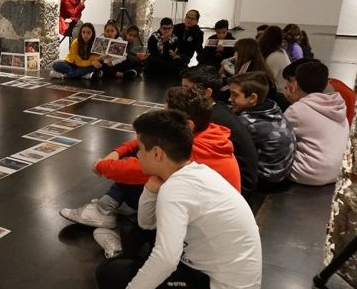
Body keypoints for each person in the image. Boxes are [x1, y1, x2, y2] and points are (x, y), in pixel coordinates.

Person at [94, 109, 262, 289]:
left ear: (157, 154)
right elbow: (147, 224)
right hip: (217, 279)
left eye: (141, 150)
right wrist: (150, 191)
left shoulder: (176, 189)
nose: (137, 155)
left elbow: (165, 258)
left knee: (107, 275)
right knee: (131, 243)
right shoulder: (196, 172)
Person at [60, 87, 242, 256]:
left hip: (199, 238)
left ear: (188, 125)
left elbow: (135, 169)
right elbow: (147, 141)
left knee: (141, 179)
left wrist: (101, 165)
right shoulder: (208, 132)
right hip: (211, 220)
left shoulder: (187, 151)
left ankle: (118, 236)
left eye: (166, 117)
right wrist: (118, 152)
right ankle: (104, 210)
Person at [181, 65, 259, 199]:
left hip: (237, 190)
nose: (182, 93)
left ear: (207, 93)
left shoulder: (211, 120)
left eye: (187, 89)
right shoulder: (217, 109)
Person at [283, 61, 349, 186]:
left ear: (296, 84)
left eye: (290, 81)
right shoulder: (338, 105)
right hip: (337, 173)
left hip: (307, 173)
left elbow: (279, 138)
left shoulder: (297, 110)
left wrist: (293, 103)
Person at [229, 71, 295, 190]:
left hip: (265, 180)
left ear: (252, 98)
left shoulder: (248, 122)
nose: (230, 99)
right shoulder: (273, 109)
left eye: (235, 95)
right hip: (281, 175)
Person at [282, 58, 356, 125]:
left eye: (289, 80)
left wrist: (296, 104)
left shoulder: (330, 98)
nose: (286, 86)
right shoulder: (328, 88)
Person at [258, 25, 291, 94]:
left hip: (279, 93)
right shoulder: (281, 52)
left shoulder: (274, 56)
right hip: (281, 91)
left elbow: (269, 80)